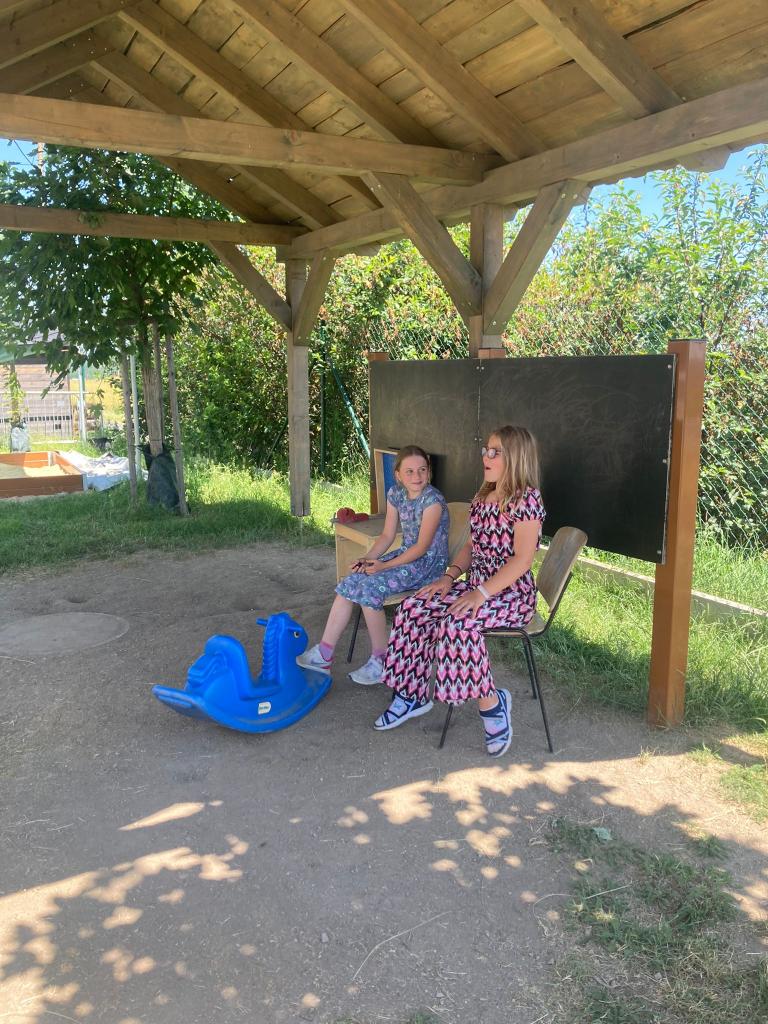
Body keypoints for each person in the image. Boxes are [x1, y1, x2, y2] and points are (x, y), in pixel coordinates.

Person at [373, 425, 545, 758]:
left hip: (511, 595)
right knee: (414, 607)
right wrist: (449, 577)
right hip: (475, 587)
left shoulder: (526, 499)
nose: (486, 456)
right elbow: (471, 547)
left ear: (516, 457)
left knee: (457, 623)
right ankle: (412, 694)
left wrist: (480, 594)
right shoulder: (483, 497)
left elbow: (523, 560)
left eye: (495, 452)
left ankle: (493, 705)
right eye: (486, 450)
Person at [298, 446, 449, 685]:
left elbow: (421, 548)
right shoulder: (395, 494)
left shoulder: (433, 501)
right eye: (409, 471)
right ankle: (324, 655)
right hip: (406, 557)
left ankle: (382, 661)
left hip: (428, 565)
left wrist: (383, 567)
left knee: (370, 588)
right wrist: (368, 559)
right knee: (350, 582)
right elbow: (387, 536)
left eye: (422, 470)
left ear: (429, 471)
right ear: (398, 475)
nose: (417, 476)